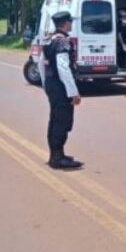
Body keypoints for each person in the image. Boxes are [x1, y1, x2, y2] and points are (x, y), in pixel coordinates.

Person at [38, 11, 83, 169]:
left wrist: (46, 84)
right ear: (65, 23)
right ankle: (57, 158)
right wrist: (74, 92)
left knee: (55, 119)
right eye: (70, 22)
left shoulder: (49, 40)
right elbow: (64, 68)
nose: (71, 24)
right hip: (61, 86)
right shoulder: (63, 41)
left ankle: (56, 154)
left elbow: (40, 64)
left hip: (52, 84)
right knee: (62, 120)